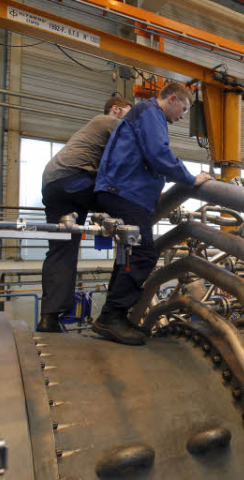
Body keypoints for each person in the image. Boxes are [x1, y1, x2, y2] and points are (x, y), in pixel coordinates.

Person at [92, 82, 213, 346]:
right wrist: (191, 179)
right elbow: (159, 155)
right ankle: (112, 316)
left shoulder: (146, 114)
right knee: (145, 254)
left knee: (128, 255)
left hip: (122, 191)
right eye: (184, 108)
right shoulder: (150, 113)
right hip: (123, 192)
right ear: (172, 99)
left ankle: (114, 317)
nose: (183, 116)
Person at [38, 97, 133, 333]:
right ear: (115, 109)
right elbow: (135, 150)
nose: (129, 120)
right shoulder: (107, 122)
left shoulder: (91, 133)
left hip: (53, 184)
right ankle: (116, 312)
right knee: (132, 225)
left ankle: (49, 318)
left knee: (62, 248)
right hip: (75, 179)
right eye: (128, 113)